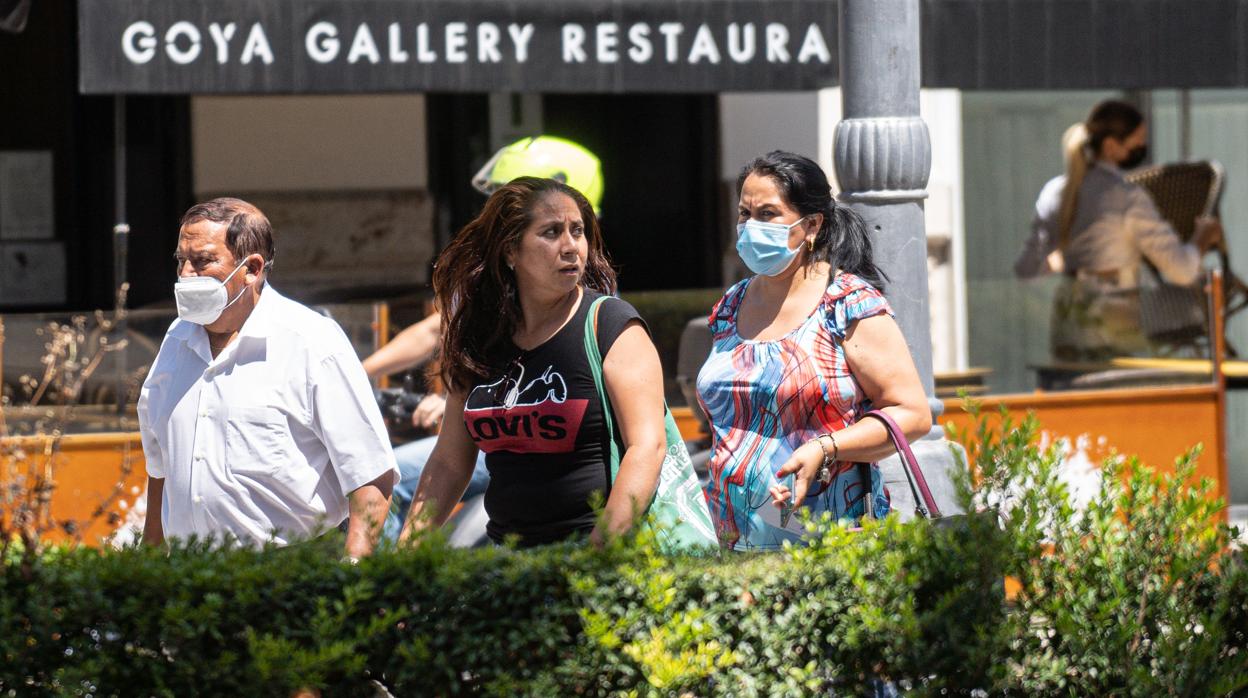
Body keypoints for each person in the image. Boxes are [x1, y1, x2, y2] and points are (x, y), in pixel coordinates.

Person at [398, 177, 665, 548]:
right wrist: (407, 553)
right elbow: (449, 461)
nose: (571, 246)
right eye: (551, 232)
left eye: (578, 231)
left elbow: (647, 447)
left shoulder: (611, 325)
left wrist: (598, 555)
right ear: (510, 251)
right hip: (507, 559)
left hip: (591, 555)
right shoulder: (480, 338)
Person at [362, 136, 606, 540]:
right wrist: (359, 372)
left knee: (393, 478)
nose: (494, 211)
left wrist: (462, 403)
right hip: (496, 441)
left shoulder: (594, 304)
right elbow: (434, 330)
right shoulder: (488, 294)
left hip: (537, 457)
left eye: (507, 196)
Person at [696, 151, 931, 551]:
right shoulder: (730, 307)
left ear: (812, 225)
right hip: (732, 539)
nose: (751, 227)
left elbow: (912, 414)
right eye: (744, 214)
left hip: (828, 539)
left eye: (768, 214)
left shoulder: (846, 303)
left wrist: (825, 447)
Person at [138, 198, 398, 558]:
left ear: (252, 268)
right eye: (181, 261)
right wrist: (150, 562)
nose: (185, 275)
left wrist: (355, 573)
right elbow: (160, 466)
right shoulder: (176, 340)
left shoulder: (311, 341)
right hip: (191, 575)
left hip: (289, 571)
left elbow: (370, 474)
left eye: (203, 261)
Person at [1014, 99, 1224, 361]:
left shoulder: (1054, 192)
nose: (1142, 148)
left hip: (1066, 327)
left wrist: (1058, 262)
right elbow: (1181, 270)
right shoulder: (1126, 197)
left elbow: (1025, 270)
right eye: (1138, 140)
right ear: (1112, 146)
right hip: (1114, 324)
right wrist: (1202, 238)